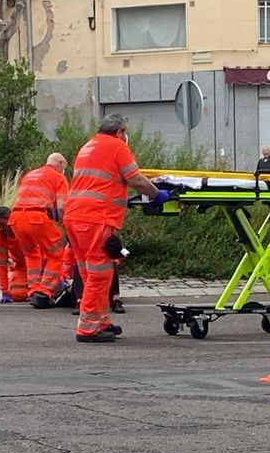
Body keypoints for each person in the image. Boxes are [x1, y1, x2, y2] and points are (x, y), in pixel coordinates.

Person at [66, 113, 166, 344]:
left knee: (89, 272)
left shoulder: (88, 147)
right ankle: (88, 328)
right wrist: (157, 194)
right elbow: (136, 180)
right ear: (119, 132)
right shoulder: (116, 146)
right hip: (96, 218)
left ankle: (100, 321)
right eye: (125, 133)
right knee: (99, 274)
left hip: (75, 217)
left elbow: (104, 180)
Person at [9, 152, 70, 309]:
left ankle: (34, 289)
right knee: (56, 253)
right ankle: (45, 292)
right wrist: (65, 226)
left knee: (31, 253)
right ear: (60, 165)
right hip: (37, 217)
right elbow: (61, 206)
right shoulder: (59, 178)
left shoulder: (30, 174)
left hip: (16, 218)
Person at [0, 206, 28, 303]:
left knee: (49, 290)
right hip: (21, 268)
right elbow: (1, 264)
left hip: (41, 266)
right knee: (17, 294)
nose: (2, 228)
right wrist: (4, 291)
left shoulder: (25, 229)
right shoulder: (0, 236)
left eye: (3, 224)